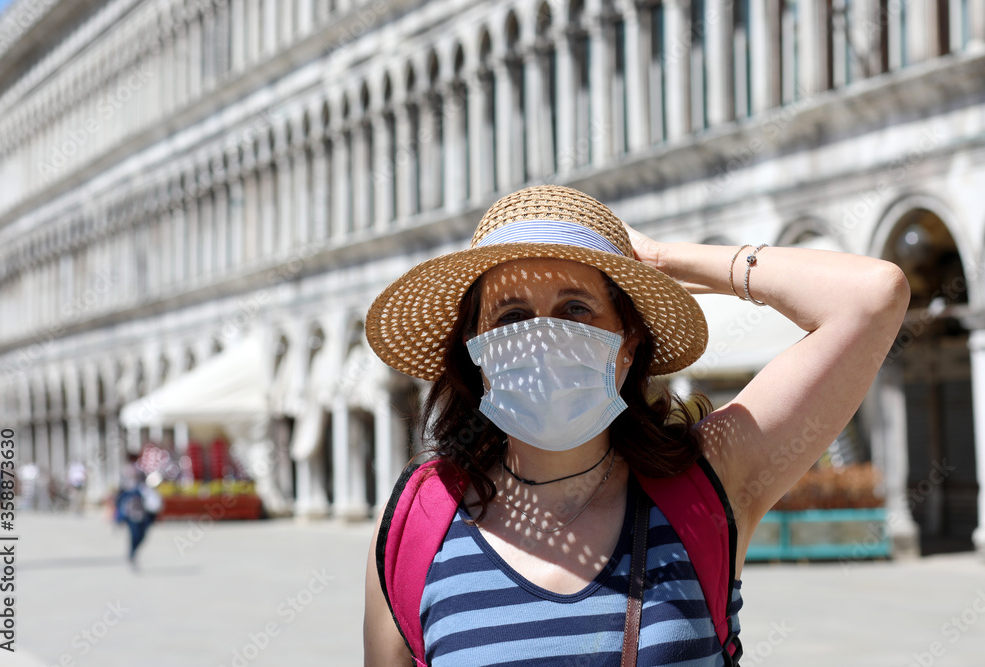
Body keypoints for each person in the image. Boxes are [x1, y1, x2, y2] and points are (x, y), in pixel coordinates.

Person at [362, 185, 909, 666]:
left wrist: (665, 260)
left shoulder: (705, 481)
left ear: (628, 343)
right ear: (475, 350)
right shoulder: (421, 519)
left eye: (576, 308)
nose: (545, 336)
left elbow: (872, 298)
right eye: (511, 316)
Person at [114, 457, 160, 569]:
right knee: (134, 535)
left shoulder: (143, 485)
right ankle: (132, 553)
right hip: (131, 515)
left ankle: (133, 552)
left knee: (142, 536)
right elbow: (120, 502)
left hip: (144, 514)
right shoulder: (126, 489)